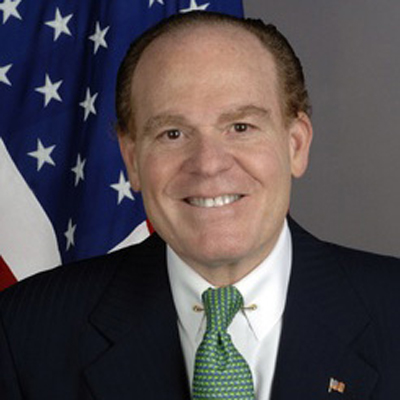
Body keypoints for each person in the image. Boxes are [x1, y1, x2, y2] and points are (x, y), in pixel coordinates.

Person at [1, 11, 400, 400]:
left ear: (295, 145)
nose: (208, 164)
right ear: (132, 159)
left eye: (240, 127)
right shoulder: (24, 331)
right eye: (173, 133)